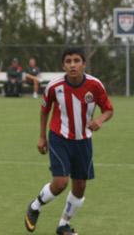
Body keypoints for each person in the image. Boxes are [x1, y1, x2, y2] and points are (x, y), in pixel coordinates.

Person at [24, 48, 114, 235]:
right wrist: (42, 137)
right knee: (60, 182)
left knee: (80, 187)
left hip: (83, 141)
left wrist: (99, 120)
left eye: (76, 61)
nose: (72, 65)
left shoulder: (95, 85)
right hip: (59, 138)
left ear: (83, 64)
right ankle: (35, 206)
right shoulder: (54, 86)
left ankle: (63, 224)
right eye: (68, 61)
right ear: (63, 65)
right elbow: (44, 110)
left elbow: (108, 109)